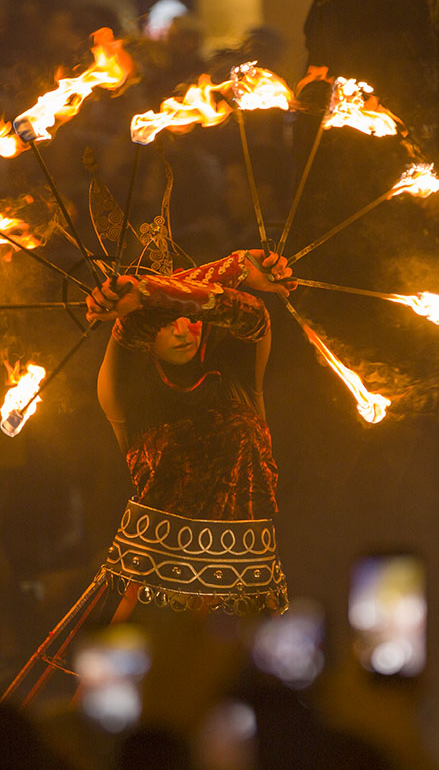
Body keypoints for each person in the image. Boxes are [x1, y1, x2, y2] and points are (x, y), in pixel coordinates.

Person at [83, 248, 294, 615]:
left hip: (242, 593)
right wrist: (227, 272)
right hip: (159, 598)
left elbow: (253, 314)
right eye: (167, 322)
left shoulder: (236, 378)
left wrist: (239, 267)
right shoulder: (125, 394)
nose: (182, 330)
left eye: (190, 316)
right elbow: (131, 328)